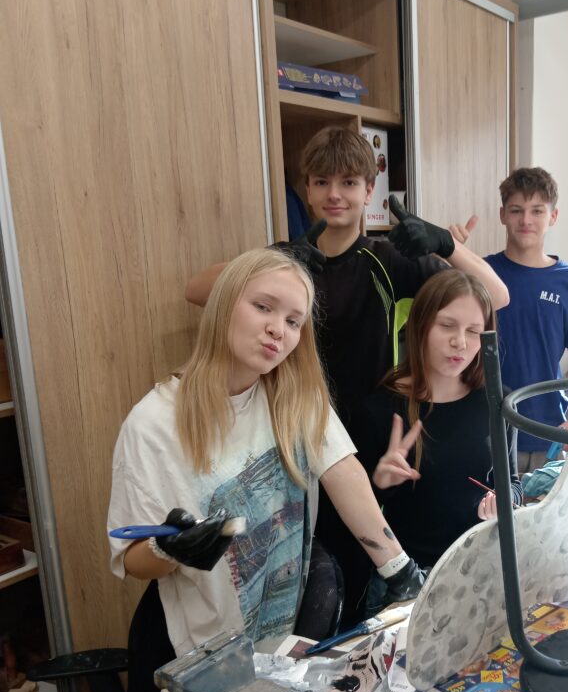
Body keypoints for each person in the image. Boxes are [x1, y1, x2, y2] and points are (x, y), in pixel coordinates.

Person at [185, 126, 509, 624]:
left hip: (367, 440)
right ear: (307, 189)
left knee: (363, 568)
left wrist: (445, 244)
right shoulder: (289, 262)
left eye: (349, 182)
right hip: (293, 433)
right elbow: (196, 290)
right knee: (302, 572)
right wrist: (268, 263)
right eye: (321, 182)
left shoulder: (389, 259)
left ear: (369, 189)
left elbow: (496, 296)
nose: (334, 194)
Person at [108, 247, 426, 662]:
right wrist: (169, 550)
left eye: (293, 322)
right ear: (224, 304)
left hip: (279, 642)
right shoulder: (152, 424)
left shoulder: (295, 397)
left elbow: (342, 471)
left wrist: (399, 569)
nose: (278, 330)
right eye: (263, 307)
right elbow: (132, 561)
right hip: (201, 653)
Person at [350, 271, 523, 571]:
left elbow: (513, 482)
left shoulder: (497, 402)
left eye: (473, 331)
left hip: (483, 567)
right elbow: (355, 516)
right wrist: (379, 483)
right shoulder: (378, 409)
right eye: (446, 326)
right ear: (420, 325)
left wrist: (505, 501)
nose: (460, 342)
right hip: (410, 577)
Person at [453, 167, 568, 473]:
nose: (526, 220)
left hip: (551, 433)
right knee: (492, 506)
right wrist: (450, 253)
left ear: (553, 216)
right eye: (516, 210)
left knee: (549, 506)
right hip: (488, 431)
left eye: (537, 211)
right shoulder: (481, 274)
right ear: (502, 215)